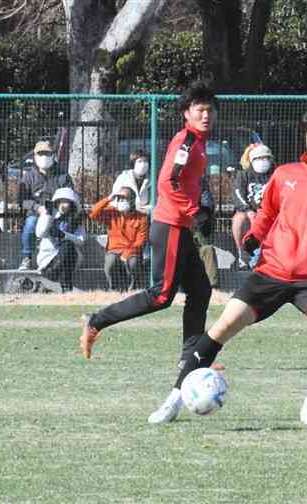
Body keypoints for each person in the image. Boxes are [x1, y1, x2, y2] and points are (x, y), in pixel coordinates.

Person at [143, 101, 307, 426]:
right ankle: (173, 400)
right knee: (222, 327)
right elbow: (267, 213)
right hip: (271, 272)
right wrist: (254, 235)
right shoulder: (284, 175)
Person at [78, 81, 216, 406]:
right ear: (187, 113)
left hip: (179, 226)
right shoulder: (186, 142)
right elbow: (168, 180)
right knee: (162, 295)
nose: (206, 114)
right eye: (200, 110)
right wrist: (195, 211)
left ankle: (193, 361)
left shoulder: (198, 142)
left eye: (210, 109)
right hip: (169, 225)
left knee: (201, 290)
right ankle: (96, 321)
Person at [18, 140, 73, 270]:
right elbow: (22, 200)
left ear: (53, 155)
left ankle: (61, 258)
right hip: (36, 213)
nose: (44, 157)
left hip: (58, 212)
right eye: (41, 154)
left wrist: (62, 207)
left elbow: (70, 195)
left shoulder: (63, 176)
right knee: (30, 224)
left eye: (47, 154)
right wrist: (37, 208)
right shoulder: (28, 177)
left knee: (63, 227)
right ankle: (27, 257)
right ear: (35, 156)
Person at [89, 186, 149, 292]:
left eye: (124, 198)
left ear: (132, 200)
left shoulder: (142, 217)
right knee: (110, 262)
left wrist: (127, 252)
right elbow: (93, 213)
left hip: (132, 251)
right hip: (114, 249)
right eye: (119, 198)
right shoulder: (112, 213)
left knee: (133, 262)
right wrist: (108, 199)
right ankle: (114, 289)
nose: (121, 201)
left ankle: (133, 286)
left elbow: (141, 240)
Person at [232, 143, 274, 269]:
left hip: (270, 213)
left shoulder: (275, 174)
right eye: (259, 158)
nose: (263, 161)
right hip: (248, 211)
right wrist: (249, 211)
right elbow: (238, 194)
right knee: (239, 219)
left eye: (266, 158)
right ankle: (242, 254)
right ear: (252, 160)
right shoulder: (243, 175)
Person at [36, 187, 86, 292]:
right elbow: (40, 233)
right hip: (49, 260)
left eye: (66, 202)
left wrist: (64, 235)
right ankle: (60, 280)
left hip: (69, 258)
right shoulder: (49, 215)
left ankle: (65, 286)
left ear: (72, 204)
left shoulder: (76, 220)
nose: (62, 205)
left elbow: (81, 240)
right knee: (66, 249)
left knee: (68, 245)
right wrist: (47, 216)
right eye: (60, 202)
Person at [193, 172, 219, 290]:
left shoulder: (200, 183)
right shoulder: (173, 182)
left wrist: (196, 215)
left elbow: (206, 208)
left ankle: (211, 287)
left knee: (208, 249)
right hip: (180, 236)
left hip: (198, 232)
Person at [112, 150, 152, 214]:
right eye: (140, 161)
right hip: (125, 214)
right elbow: (114, 198)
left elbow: (155, 202)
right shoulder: (123, 177)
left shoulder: (152, 180)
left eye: (145, 161)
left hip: (144, 215)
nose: (143, 164)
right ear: (133, 163)